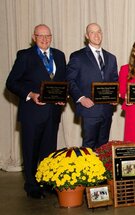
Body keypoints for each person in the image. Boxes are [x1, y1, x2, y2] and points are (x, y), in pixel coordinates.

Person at [6, 24, 66, 199]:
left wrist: (64, 96)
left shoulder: (60, 56)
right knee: (30, 150)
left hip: (53, 112)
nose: (44, 39)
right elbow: (11, 83)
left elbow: (62, 82)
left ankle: (47, 182)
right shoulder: (25, 56)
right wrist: (30, 94)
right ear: (34, 37)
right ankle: (31, 185)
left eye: (48, 36)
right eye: (41, 36)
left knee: (49, 151)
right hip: (32, 113)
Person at [66, 23, 118, 149]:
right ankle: (88, 169)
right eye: (92, 32)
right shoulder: (78, 56)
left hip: (106, 110)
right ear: (87, 36)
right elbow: (69, 80)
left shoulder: (111, 58)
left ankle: (102, 169)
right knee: (88, 147)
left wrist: (115, 96)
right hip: (89, 109)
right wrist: (81, 98)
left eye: (99, 31)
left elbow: (115, 81)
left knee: (103, 147)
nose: (96, 35)